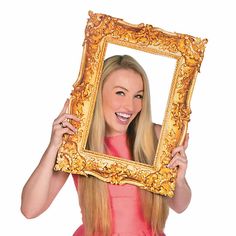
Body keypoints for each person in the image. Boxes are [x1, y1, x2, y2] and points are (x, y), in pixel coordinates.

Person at [21, 55, 191, 236]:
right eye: (120, 93)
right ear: (97, 93)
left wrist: (179, 180)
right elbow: (30, 209)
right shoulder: (78, 142)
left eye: (138, 96)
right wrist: (53, 146)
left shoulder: (156, 136)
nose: (130, 106)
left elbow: (179, 206)